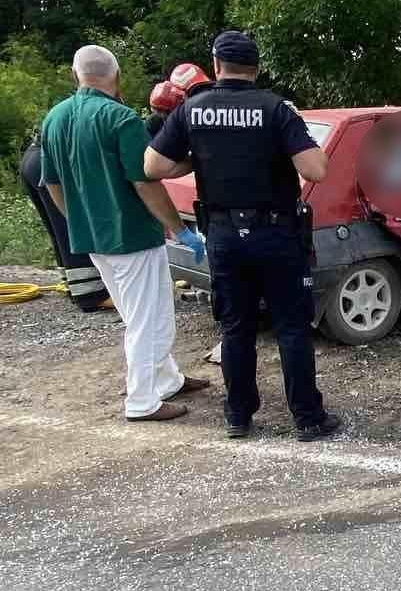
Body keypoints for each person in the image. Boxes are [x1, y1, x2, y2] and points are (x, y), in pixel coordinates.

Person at [145, 31, 341, 442]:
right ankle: (307, 418)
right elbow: (316, 170)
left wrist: (199, 159)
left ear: (216, 65)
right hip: (276, 233)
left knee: (236, 328)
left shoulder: (191, 110)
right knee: (291, 327)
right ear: (256, 67)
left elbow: (154, 167)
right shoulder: (275, 109)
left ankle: (238, 416)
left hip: (224, 235)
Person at [39, 45, 210, 422]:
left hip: (93, 239)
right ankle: (142, 401)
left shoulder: (54, 118)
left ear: (75, 75)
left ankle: (167, 379)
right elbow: (145, 180)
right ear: (115, 77)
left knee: (144, 311)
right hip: (131, 235)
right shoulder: (120, 119)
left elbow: (50, 182)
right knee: (147, 318)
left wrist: (78, 217)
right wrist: (180, 229)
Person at [19, 135, 112, 311]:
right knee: (72, 226)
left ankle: (72, 284)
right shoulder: (118, 116)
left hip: (33, 156)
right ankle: (90, 295)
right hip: (48, 160)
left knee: (58, 229)